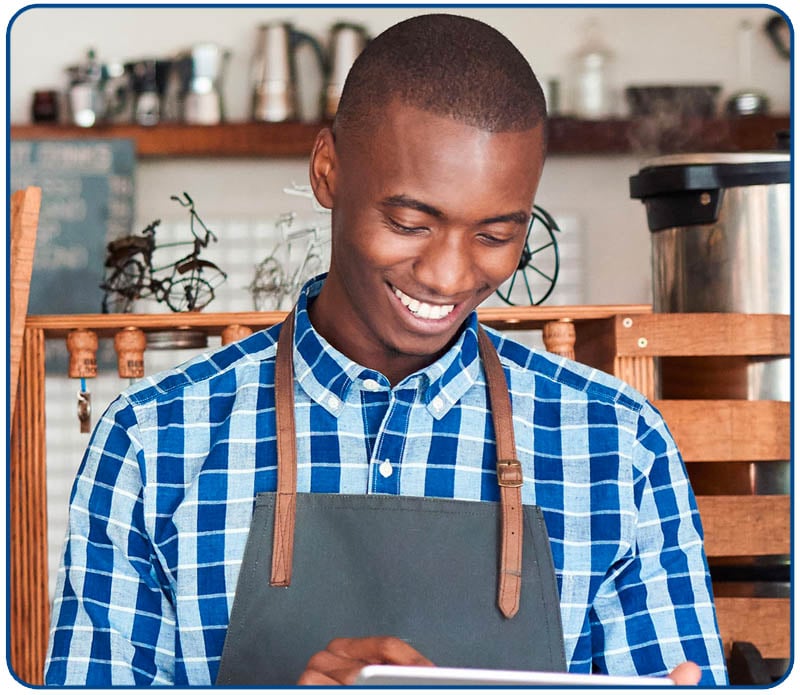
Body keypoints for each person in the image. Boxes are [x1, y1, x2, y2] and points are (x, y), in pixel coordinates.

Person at [44, 13, 727, 687]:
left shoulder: (618, 444)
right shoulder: (152, 442)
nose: (447, 275)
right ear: (328, 171)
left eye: (495, 235)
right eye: (409, 222)